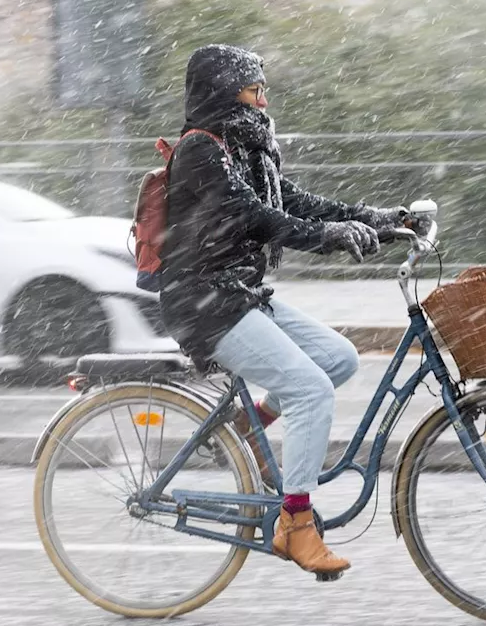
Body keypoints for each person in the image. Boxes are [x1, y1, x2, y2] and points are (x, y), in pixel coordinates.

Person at [159, 44, 407, 579]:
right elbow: (255, 216)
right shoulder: (202, 150)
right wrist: (328, 239)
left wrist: (376, 220)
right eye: (254, 89)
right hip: (204, 302)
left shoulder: (244, 148)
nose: (263, 100)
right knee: (310, 389)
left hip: (236, 292)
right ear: (225, 91)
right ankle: (295, 524)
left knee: (337, 358)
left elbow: (295, 201)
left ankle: (251, 427)